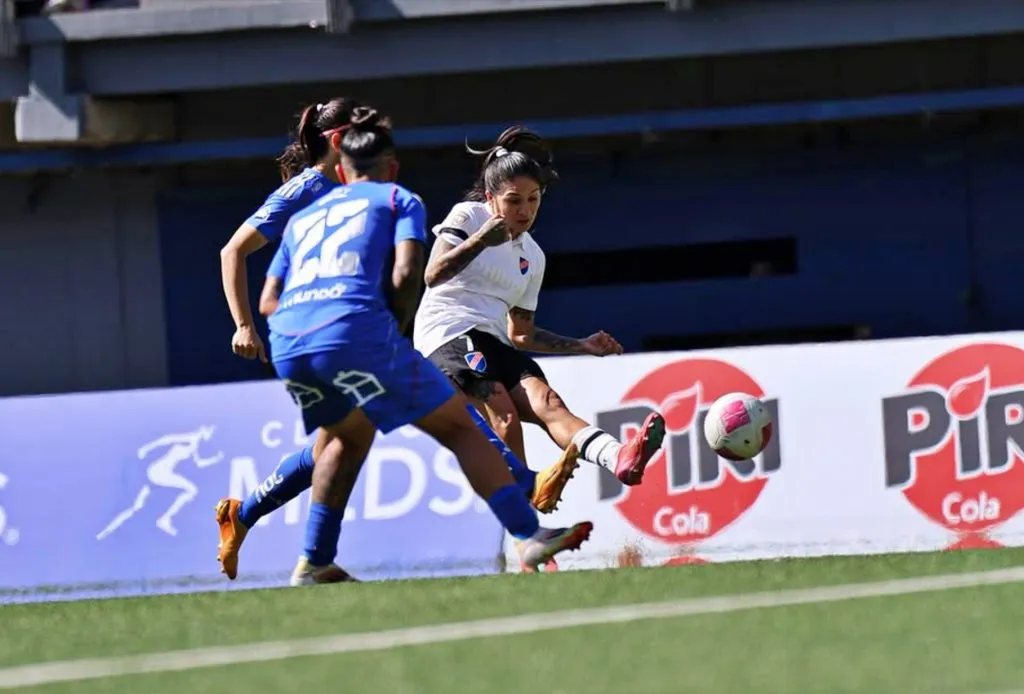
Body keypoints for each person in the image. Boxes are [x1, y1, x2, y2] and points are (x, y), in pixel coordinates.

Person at [267, 106, 592, 584]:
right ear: (390, 168)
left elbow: (269, 298)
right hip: (359, 336)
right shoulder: (400, 200)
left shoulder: (306, 218)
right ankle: (529, 533)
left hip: (291, 345)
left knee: (343, 439)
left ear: (340, 167)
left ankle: (299, 550)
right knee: (463, 428)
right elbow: (410, 276)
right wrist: (392, 337)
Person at [412, 126, 666, 488]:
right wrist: (482, 240)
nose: (525, 210)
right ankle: (526, 511)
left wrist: (581, 344)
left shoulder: (532, 255)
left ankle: (620, 457)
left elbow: (521, 333)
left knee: (549, 403)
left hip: (494, 340)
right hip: (447, 332)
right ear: (490, 197)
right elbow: (432, 274)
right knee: (504, 412)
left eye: (533, 199)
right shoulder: (469, 216)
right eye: (514, 200)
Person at [216, 97, 362, 582]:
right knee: (355, 432)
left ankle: (246, 514)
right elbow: (233, 250)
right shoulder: (306, 188)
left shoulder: (360, 183)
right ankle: (316, 559)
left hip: (346, 328)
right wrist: (243, 325)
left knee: (332, 445)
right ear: (339, 139)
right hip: (311, 330)